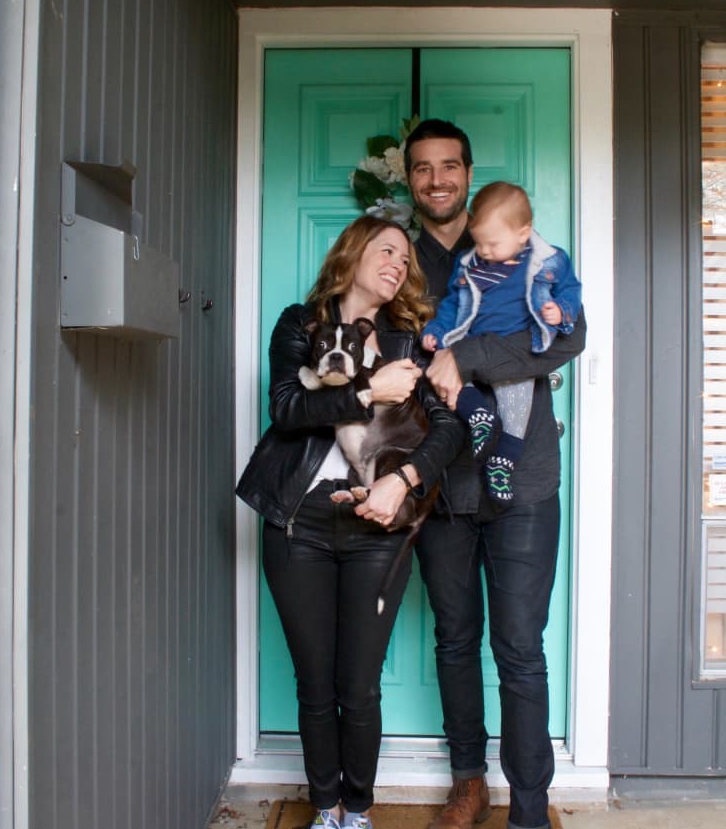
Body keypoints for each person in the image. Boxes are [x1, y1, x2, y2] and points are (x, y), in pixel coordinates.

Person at [236, 215, 466, 829]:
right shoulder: (299, 323)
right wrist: (367, 392)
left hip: (377, 527)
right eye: (386, 251)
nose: (398, 263)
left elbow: (448, 428)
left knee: (359, 686)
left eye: (405, 260)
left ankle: (358, 811)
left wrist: (402, 480)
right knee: (314, 683)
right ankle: (324, 808)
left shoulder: (406, 337)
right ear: (353, 253)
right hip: (300, 523)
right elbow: (286, 409)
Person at [404, 119, 587, 829]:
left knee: (519, 645)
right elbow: (402, 359)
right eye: (423, 168)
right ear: (411, 179)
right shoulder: (399, 259)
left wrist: (471, 355)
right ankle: (467, 780)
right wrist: (442, 360)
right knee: (454, 636)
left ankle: (532, 808)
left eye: (449, 165)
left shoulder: (524, 248)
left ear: (469, 173)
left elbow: (566, 336)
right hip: (442, 482)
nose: (437, 179)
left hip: (525, 481)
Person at [421, 181, 582, 506]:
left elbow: (571, 293)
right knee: (453, 382)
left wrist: (560, 310)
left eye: (492, 244)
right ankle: (479, 416)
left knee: (515, 412)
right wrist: (438, 330)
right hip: (468, 340)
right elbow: (453, 304)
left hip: (515, 360)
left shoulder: (546, 262)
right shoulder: (471, 265)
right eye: (479, 243)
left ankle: (502, 462)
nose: (484, 251)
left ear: (523, 233)